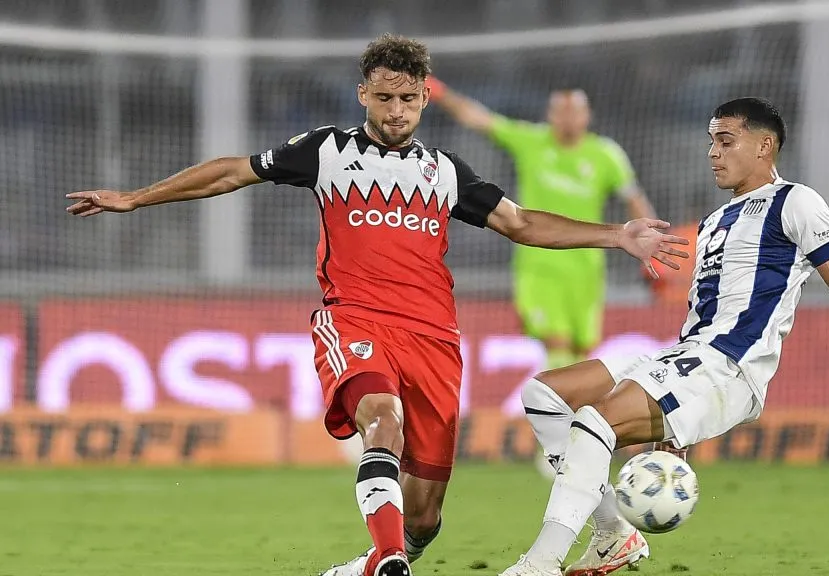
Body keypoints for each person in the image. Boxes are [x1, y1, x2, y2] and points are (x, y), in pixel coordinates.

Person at [65, 34, 686, 576]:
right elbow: (233, 171)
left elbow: (520, 223)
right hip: (355, 321)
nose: (396, 111)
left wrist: (615, 235)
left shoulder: (447, 172)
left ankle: (379, 560)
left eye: (408, 98)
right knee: (380, 421)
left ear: (422, 98)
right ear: (363, 93)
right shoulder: (327, 151)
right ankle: (388, 564)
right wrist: (135, 199)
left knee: (426, 517)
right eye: (384, 98)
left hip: (436, 341)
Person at [500, 97, 829, 576]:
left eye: (726, 141)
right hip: (689, 355)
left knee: (595, 421)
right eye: (711, 141)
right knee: (544, 394)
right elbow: (700, 317)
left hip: (729, 367)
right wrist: (672, 413)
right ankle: (613, 535)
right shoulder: (714, 223)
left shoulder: (796, 202)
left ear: (765, 146)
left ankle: (540, 564)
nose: (713, 152)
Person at [427, 77, 658, 371]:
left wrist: (652, 242)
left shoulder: (605, 155)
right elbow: (479, 118)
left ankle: (569, 410)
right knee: (556, 342)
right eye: (560, 111)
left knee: (580, 349)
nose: (568, 118)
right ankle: (556, 412)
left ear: (587, 115)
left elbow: (635, 199)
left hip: (586, 268)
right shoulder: (531, 140)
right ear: (550, 115)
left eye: (574, 111)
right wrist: (440, 92)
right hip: (540, 265)